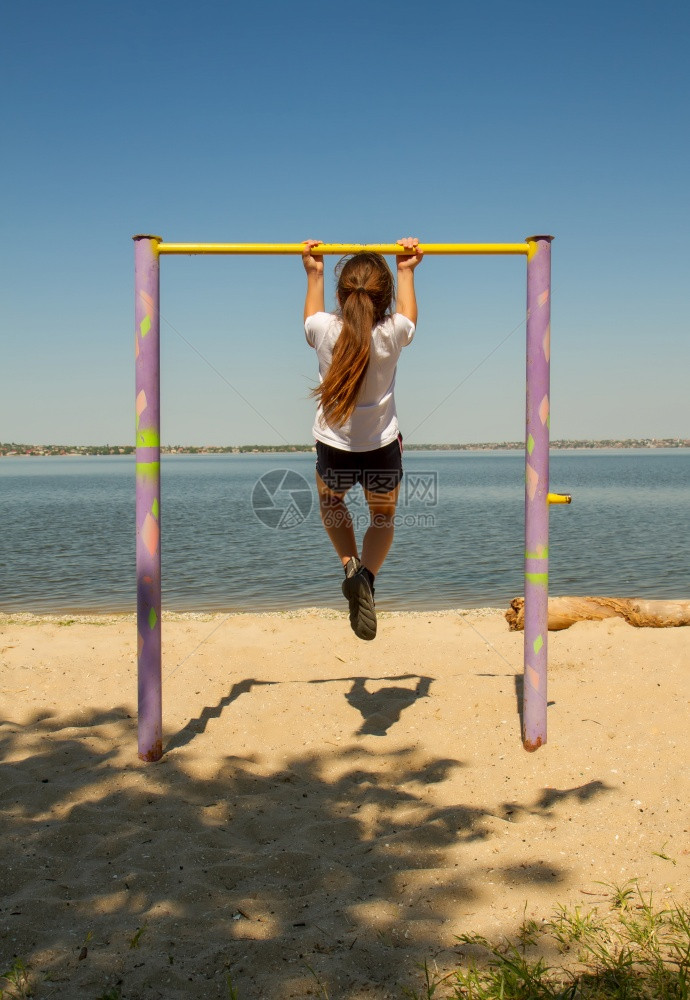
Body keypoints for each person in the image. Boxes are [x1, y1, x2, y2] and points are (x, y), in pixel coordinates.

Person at [302, 237, 424, 640]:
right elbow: (409, 313)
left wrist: (313, 272)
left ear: (341, 294)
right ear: (383, 299)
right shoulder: (393, 333)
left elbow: (313, 313)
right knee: (383, 517)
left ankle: (349, 566)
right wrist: (406, 269)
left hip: (335, 448)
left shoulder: (322, 329)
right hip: (382, 447)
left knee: (331, 502)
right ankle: (367, 579)